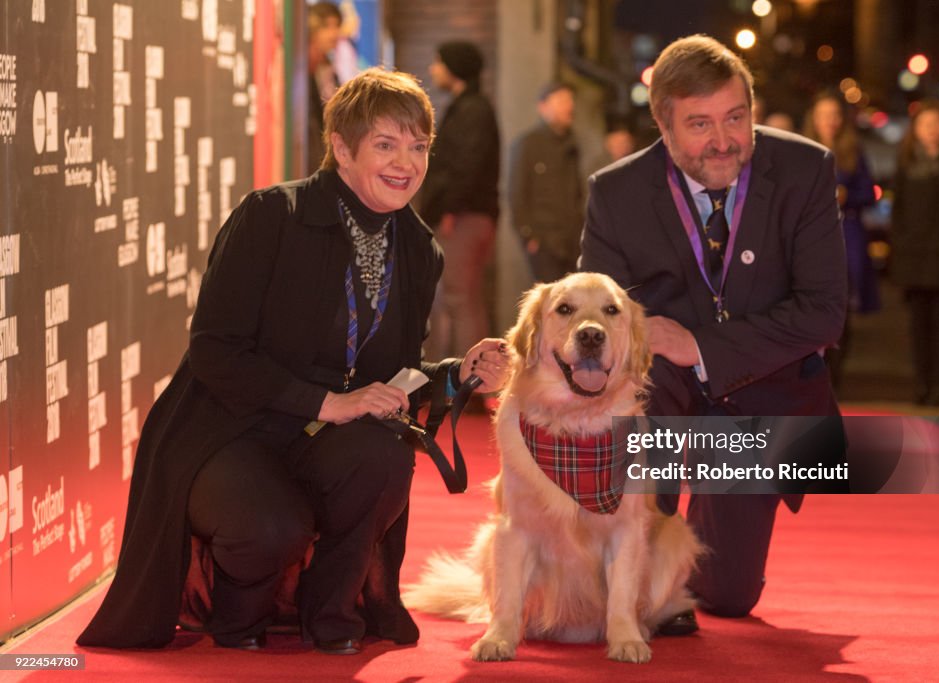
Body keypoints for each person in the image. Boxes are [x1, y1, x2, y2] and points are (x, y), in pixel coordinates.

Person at [77, 68, 509, 654]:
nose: (405, 162)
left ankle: (331, 618)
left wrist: (459, 374)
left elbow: (396, 372)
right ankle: (235, 620)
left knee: (384, 458)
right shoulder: (270, 216)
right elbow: (214, 349)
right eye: (385, 144)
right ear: (340, 148)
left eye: (418, 146)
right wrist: (327, 402)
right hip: (230, 427)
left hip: (327, 434)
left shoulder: (418, 247)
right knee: (271, 528)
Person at [580, 35, 847, 632]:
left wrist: (699, 346)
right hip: (663, 400)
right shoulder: (616, 192)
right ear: (663, 125)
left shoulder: (806, 170)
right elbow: (597, 315)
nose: (723, 140)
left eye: (736, 117)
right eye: (699, 124)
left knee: (725, 596)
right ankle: (633, 560)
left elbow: (825, 312)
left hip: (762, 402)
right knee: (645, 383)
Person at [888, 100, 939, 406]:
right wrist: (898, 244)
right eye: (926, 125)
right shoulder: (907, 162)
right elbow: (898, 210)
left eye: (937, 124)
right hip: (913, 254)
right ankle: (922, 383)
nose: (932, 131)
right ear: (916, 130)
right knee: (918, 325)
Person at [419, 41, 501, 359]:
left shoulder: (473, 109)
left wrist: (451, 209)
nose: (433, 69)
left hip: (464, 217)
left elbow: (467, 165)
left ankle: (472, 381)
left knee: (459, 297)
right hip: (466, 214)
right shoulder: (469, 106)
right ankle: (467, 379)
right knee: (461, 297)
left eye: (439, 62)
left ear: (455, 68)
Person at [803, 91, 879, 392]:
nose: (830, 122)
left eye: (835, 115)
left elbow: (868, 193)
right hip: (811, 242)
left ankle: (836, 376)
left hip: (847, 237)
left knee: (842, 311)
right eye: (824, 115)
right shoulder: (801, 151)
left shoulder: (852, 152)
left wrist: (849, 197)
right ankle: (816, 375)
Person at [509, 82, 584, 283]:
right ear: (542, 107)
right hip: (544, 240)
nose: (569, 106)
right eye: (561, 100)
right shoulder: (528, 144)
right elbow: (516, 193)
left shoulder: (573, 144)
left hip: (572, 241)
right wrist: (529, 236)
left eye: (570, 100)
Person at [307, 2, 343, 176]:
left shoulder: (329, 71)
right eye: (328, 26)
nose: (335, 33)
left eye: (337, 26)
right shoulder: (299, 71)